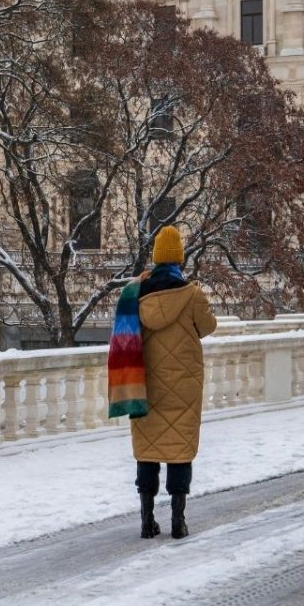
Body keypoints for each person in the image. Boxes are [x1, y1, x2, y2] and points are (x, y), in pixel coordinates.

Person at [107, 225, 217, 539]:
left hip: (145, 384)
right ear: (179, 258)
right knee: (180, 451)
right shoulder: (192, 294)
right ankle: (178, 522)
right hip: (183, 386)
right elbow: (208, 328)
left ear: (155, 258)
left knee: (148, 450)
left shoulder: (134, 294)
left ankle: (146, 521)